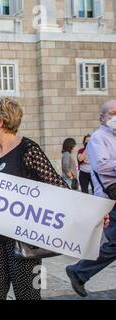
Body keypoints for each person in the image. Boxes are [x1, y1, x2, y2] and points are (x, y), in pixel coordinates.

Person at [0, 97, 68, 300]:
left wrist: (90, 212)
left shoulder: (28, 150)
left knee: (28, 296)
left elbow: (58, 187)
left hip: (24, 242)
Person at [66, 100, 116, 297]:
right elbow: (102, 165)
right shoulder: (97, 138)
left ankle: (79, 272)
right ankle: (78, 271)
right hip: (109, 198)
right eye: (112, 113)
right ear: (103, 117)